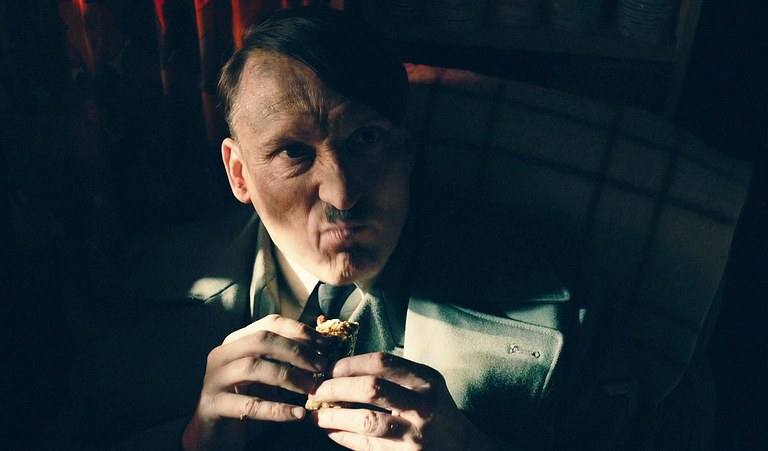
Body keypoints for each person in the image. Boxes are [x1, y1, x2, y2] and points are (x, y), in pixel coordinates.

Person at [67, 7, 600, 450]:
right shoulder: (140, 288)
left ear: (406, 149)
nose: (342, 195)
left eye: (365, 139)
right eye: (294, 152)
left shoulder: (561, 300)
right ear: (239, 174)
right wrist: (193, 443)